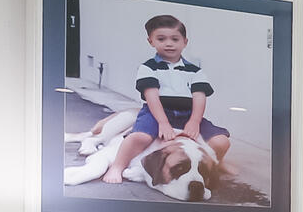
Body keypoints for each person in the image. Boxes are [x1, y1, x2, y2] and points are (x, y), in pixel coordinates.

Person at [99, 13, 232, 183]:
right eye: (161, 39)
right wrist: (162, 122)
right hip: (156, 113)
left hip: (188, 114)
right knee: (139, 137)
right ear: (151, 41)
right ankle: (117, 166)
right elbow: (152, 97)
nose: (169, 43)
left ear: (185, 42)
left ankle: (215, 163)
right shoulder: (148, 68)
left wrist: (194, 121)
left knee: (221, 142)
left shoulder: (195, 71)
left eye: (175, 39)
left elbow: (199, 97)